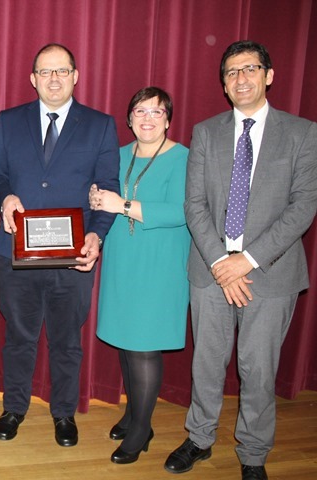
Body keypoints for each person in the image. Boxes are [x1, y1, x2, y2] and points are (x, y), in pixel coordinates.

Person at [164, 40, 317, 480]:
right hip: (211, 270)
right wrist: (220, 261)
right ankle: (199, 438)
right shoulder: (206, 131)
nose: (241, 78)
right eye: (231, 72)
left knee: (258, 369)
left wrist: (245, 260)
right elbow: (194, 205)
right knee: (206, 363)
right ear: (224, 84)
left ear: (269, 75)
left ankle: (253, 454)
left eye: (250, 69)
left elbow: (303, 207)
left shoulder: (302, 133)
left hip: (271, 273)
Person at [0, 43, 120, 447]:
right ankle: (14, 408)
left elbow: (109, 187)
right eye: (45, 72)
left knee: (66, 342)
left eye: (62, 70)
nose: (54, 79)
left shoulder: (100, 125)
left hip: (73, 256)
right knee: (19, 338)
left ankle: (64, 414)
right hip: (16, 253)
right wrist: (5, 197)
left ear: (75, 76)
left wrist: (97, 235)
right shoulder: (10, 121)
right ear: (33, 79)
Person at [89, 87, 190, 464]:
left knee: (145, 347)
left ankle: (141, 430)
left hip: (160, 263)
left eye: (157, 112)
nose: (148, 118)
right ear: (129, 118)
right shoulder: (116, 155)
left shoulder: (183, 158)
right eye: (140, 111)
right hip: (123, 260)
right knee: (127, 341)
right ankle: (133, 413)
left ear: (168, 119)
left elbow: (182, 211)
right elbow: (105, 201)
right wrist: (96, 199)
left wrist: (122, 204)